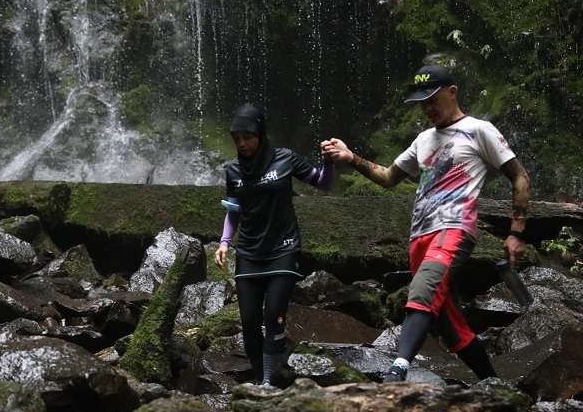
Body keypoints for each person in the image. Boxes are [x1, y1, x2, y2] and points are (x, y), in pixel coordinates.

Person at [321, 64, 531, 382]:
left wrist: (517, 232)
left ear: (452, 92)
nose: (428, 108)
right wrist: (352, 158)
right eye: (423, 103)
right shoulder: (423, 140)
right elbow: (389, 177)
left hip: (454, 229)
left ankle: (398, 368)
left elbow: (520, 176)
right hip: (419, 236)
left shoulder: (479, 130)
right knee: (451, 326)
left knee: (420, 293)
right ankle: (495, 384)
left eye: (433, 99)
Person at [215, 103, 334, 386]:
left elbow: (323, 183)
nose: (242, 144)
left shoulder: (285, 159)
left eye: (248, 137)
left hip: (283, 247)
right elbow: (234, 210)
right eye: (237, 139)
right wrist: (224, 242)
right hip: (249, 252)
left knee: (274, 314)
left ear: (260, 134)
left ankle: (268, 380)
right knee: (249, 323)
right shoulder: (233, 170)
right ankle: (260, 378)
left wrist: (328, 161)